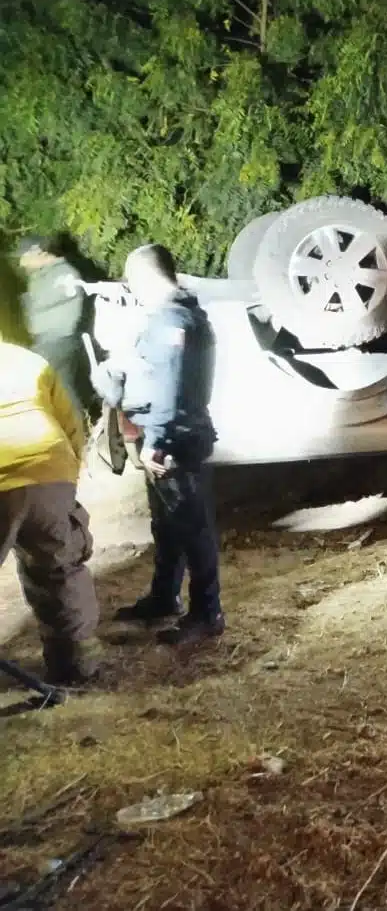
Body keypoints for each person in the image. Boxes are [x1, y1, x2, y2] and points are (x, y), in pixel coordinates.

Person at [92, 244, 224, 645]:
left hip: (175, 440)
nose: (133, 291)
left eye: (133, 282)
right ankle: (164, 598)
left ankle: (207, 614)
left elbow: (169, 385)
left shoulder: (172, 319)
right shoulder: (180, 314)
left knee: (191, 527)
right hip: (171, 432)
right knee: (167, 526)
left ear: (146, 278)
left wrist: (157, 441)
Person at [0, 337, 101, 685]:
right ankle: (78, 664)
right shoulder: (27, 360)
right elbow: (70, 419)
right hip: (50, 468)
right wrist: (68, 477)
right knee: (60, 568)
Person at [15, 237, 90, 420]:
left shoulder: (65, 273)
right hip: (44, 341)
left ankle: (79, 433)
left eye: (24, 259)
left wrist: (21, 305)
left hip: (60, 341)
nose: (23, 265)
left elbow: (40, 302)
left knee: (62, 391)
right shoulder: (41, 275)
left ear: (37, 252)